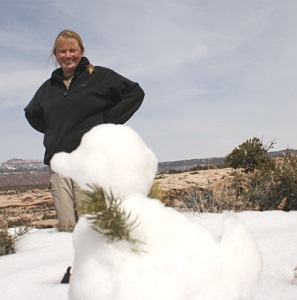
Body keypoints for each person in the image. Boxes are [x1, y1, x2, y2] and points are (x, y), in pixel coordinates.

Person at [24, 30, 145, 231]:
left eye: (73, 50)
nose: (68, 55)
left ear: (81, 51)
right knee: (67, 226)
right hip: (59, 164)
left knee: (91, 228)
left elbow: (134, 93)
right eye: (62, 51)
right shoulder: (49, 87)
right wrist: (53, 130)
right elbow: (31, 113)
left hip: (88, 161)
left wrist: (106, 122)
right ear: (56, 55)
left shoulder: (99, 76)